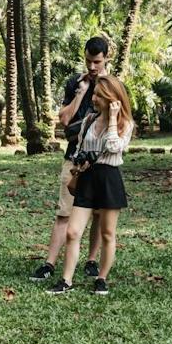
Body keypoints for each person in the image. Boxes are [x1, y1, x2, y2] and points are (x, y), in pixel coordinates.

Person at [30, 37, 110, 282]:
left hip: (100, 161)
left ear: (107, 58)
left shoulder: (112, 85)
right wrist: (81, 94)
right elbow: (64, 120)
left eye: (96, 61)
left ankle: (92, 260)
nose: (92, 67)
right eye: (88, 61)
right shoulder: (74, 83)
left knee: (97, 213)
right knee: (64, 212)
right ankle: (49, 263)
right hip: (73, 158)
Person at [50, 73, 134, 295]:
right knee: (73, 231)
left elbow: (114, 146)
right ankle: (66, 280)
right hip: (87, 176)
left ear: (112, 98)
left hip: (108, 177)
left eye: (98, 95)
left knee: (107, 232)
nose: (94, 98)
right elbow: (78, 148)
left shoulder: (126, 123)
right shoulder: (89, 120)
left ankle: (102, 277)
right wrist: (79, 164)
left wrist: (114, 118)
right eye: (94, 94)